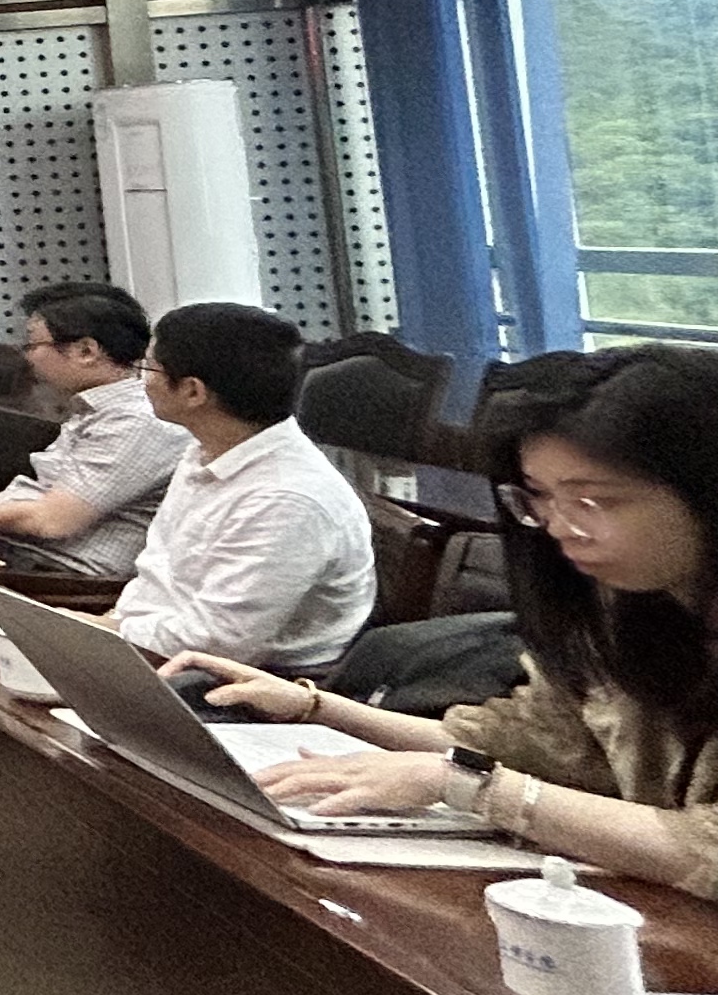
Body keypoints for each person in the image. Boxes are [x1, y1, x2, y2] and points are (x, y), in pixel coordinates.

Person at [169, 345, 718, 886]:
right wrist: (314, 707)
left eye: (595, 501)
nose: (559, 527)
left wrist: (474, 788)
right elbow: (522, 743)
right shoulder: (622, 601)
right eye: (539, 497)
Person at [111, 302, 374, 676]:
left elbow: (218, 644)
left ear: (193, 391)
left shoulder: (287, 499)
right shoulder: (207, 451)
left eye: (149, 367)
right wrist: (104, 626)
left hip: (252, 683)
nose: (142, 380)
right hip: (151, 647)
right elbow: (160, 579)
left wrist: (106, 633)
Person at [0, 280, 191, 574]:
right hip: (22, 559)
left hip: (61, 579)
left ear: (86, 351)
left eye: (33, 344)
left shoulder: (134, 421)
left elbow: (52, 521)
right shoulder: (97, 410)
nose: (27, 356)